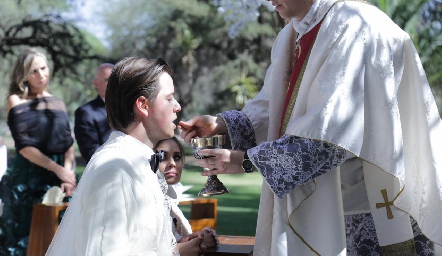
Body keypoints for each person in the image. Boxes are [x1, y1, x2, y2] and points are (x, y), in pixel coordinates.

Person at [179, 0, 442, 255]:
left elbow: (333, 136)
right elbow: (276, 109)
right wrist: (221, 124)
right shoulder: (293, 33)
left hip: (370, 201)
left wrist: (245, 161)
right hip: (328, 198)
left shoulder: (355, 25)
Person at [47, 57, 209, 256]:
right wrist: (176, 254)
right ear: (142, 105)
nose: (177, 106)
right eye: (168, 98)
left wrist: (174, 244)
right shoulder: (114, 170)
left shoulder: (138, 161)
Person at [0, 48, 77, 255]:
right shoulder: (15, 101)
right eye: (33, 71)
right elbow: (24, 147)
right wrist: (59, 170)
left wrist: (68, 175)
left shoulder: (58, 103)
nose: (41, 75)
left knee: (58, 237)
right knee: (24, 238)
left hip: (60, 177)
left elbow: (68, 143)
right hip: (28, 175)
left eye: (43, 68)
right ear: (24, 75)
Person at [154, 137, 218, 252]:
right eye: (163, 157)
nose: (172, 163)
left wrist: (199, 239)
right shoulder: (146, 204)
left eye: (177, 157)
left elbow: (178, 242)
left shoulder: (170, 202)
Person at [74, 63, 114, 162]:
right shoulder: (86, 113)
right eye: (108, 80)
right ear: (96, 83)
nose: (113, 84)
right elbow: (90, 152)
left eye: (116, 79)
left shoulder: (132, 108)